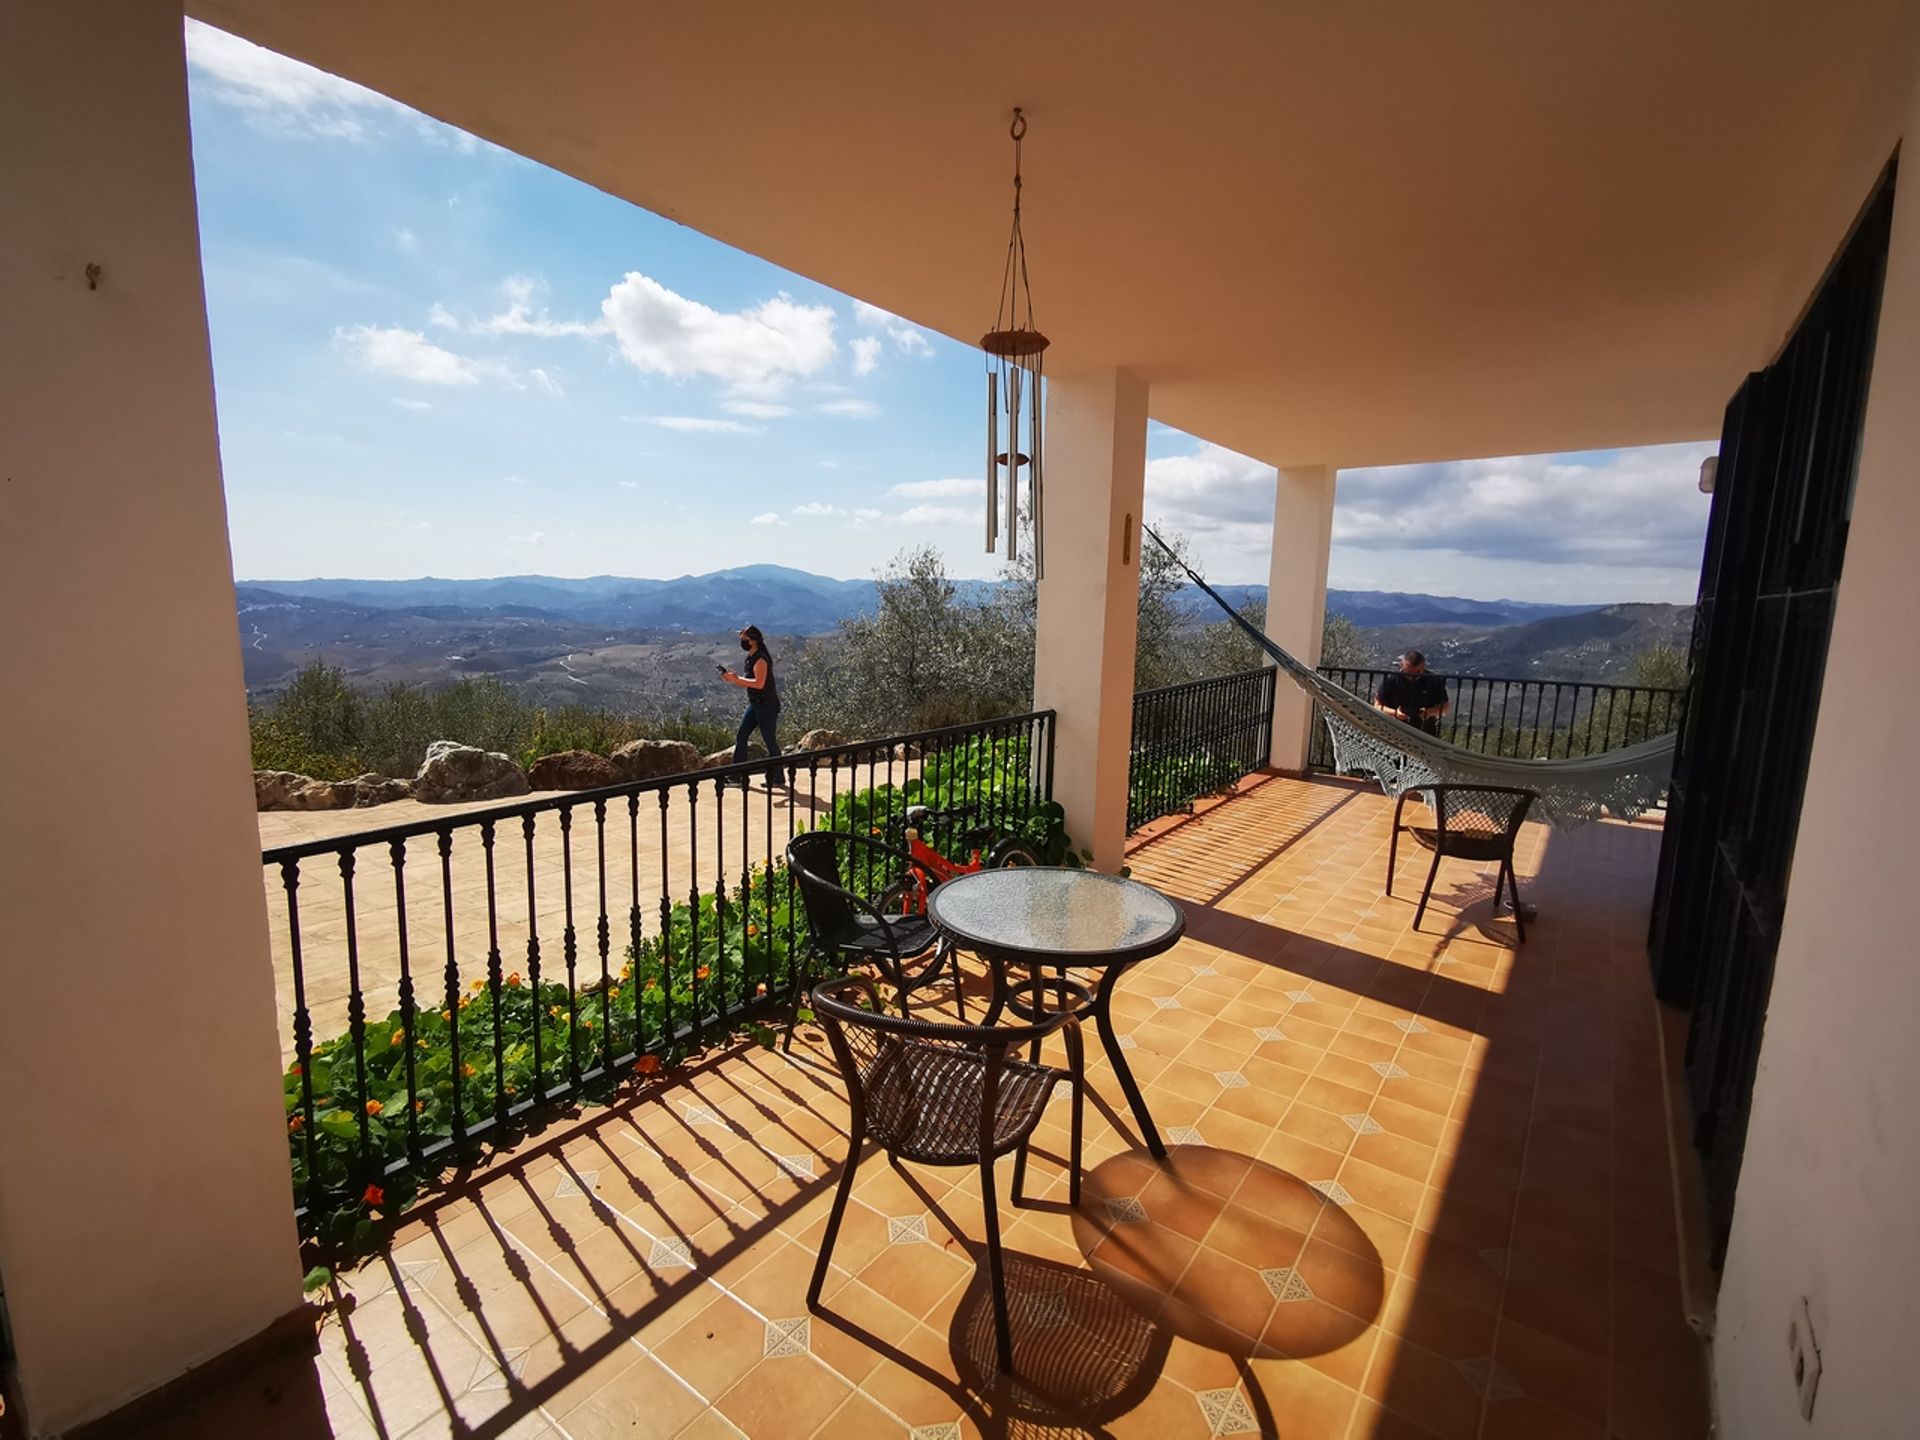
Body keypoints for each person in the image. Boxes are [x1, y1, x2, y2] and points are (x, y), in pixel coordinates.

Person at [719, 624, 786, 786]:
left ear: (754, 641)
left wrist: (737, 680)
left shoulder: (761, 659)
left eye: (745, 640)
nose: (743, 642)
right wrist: (733, 679)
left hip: (766, 706)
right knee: (741, 736)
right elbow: (750, 682)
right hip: (755, 704)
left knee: (769, 740)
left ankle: (778, 777)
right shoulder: (751, 657)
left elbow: (759, 683)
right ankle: (738, 776)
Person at [1375, 650, 1450, 735]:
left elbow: (1445, 707)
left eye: (1418, 673)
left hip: (1425, 732)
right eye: (1408, 673)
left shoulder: (1433, 680)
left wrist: (1429, 712)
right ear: (1402, 666)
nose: (1412, 677)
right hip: (1395, 729)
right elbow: (1377, 706)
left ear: (1423, 667)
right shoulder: (1391, 680)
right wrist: (1395, 713)